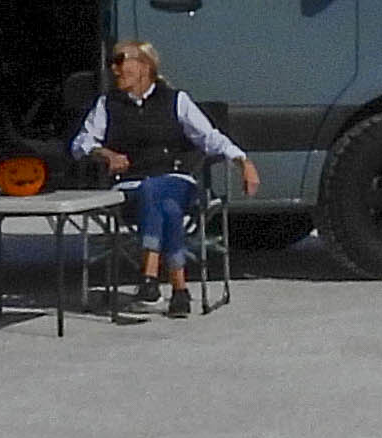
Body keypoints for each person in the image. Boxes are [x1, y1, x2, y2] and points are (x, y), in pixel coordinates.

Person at [71, 39, 258, 319]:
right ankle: (179, 290)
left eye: (120, 60)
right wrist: (104, 152)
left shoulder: (175, 100)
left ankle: (149, 277)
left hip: (176, 178)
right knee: (164, 204)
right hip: (130, 187)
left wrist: (243, 160)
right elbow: (80, 144)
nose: (114, 68)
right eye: (113, 62)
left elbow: (209, 138)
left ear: (144, 65)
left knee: (156, 188)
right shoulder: (107, 103)